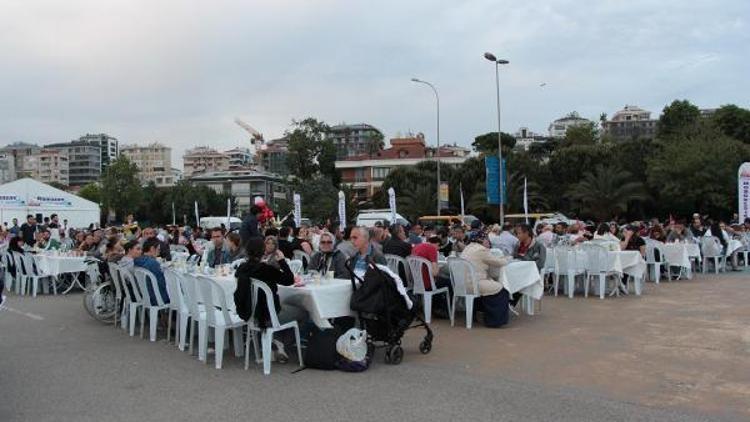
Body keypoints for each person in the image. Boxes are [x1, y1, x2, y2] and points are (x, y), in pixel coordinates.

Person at [234, 237, 303, 327]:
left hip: (248, 312)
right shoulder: (266, 269)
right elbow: (289, 280)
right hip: (267, 315)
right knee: (303, 313)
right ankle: (288, 339)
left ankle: (276, 336)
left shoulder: (241, 268)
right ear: (263, 251)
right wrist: (282, 261)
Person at [459, 231, 511, 328]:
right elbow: (499, 262)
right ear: (482, 240)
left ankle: (479, 313)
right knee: (502, 290)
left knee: (491, 285)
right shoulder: (481, 250)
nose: (488, 242)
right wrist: (507, 258)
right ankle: (494, 321)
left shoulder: (468, 247)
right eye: (487, 239)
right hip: (474, 284)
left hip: (463, 284)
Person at [134, 238, 170, 306]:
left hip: (144, 295)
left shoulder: (137, 261)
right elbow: (162, 283)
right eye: (158, 249)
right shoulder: (153, 263)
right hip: (157, 298)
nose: (159, 252)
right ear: (152, 248)